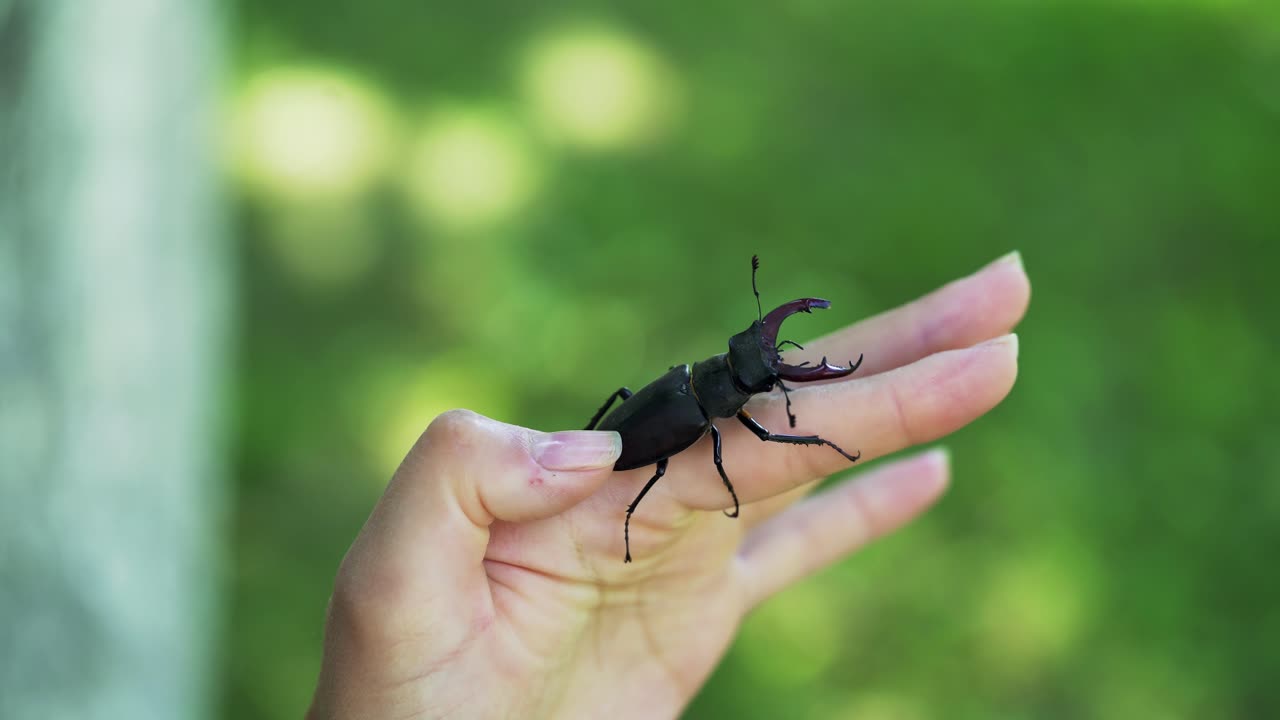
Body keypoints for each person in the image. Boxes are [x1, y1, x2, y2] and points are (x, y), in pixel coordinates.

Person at [307, 252, 1030, 719]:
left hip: (660, 409)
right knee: (712, 455)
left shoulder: (697, 384)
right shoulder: (708, 415)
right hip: (639, 439)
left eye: (765, 364)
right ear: (731, 375)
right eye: (758, 360)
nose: (766, 357)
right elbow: (753, 441)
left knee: (687, 439)